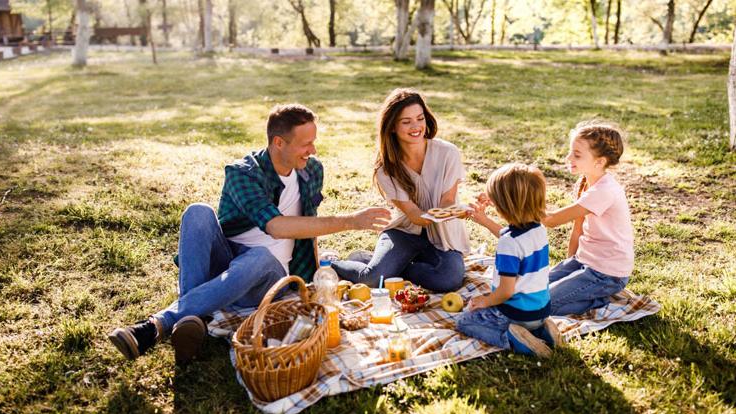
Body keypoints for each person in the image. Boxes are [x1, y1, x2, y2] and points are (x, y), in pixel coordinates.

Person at [108, 104, 391, 364]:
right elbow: (276, 226)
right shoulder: (244, 173)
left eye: (313, 142)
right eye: (306, 144)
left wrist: (314, 275)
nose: (313, 150)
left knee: (259, 256)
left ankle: (158, 325)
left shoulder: (312, 170)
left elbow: (309, 224)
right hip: (227, 263)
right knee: (197, 212)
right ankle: (194, 318)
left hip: (269, 277)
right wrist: (352, 221)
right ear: (278, 142)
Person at [331, 88, 468, 292]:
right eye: (406, 122)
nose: (416, 127)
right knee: (371, 279)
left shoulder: (448, 153)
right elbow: (413, 216)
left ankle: (395, 268)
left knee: (449, 281)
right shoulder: (385, 169)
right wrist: (438, 215)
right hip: (404, 232)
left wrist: (454, 212)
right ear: (392, 127)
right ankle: (330, 262)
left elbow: (447, 200)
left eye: (420, 118)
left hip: (443, 235)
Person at [456, 163, 562, 358]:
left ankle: (512, 339)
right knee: (530, 320)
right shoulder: (538, 229)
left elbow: (506, 292)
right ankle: (542, 330)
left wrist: (485, 301)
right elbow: (509, 237)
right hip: (540, 311)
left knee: (464, 321)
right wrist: (484, 220)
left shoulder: (508, 244)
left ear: (504, 205)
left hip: (515, 314)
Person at [542, 121, 633, 316]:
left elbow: (551, 220)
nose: (568, 158)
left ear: (599, 162)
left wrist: (518, 199)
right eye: (570, 152)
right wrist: (569, 267)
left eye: (577, 154)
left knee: (541, 306)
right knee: (532, 289)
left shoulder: (604, 191)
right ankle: (585, 291)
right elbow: (578, 229)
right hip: (584, 261)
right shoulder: (584, 183)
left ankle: (600, 299)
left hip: (607, 274)